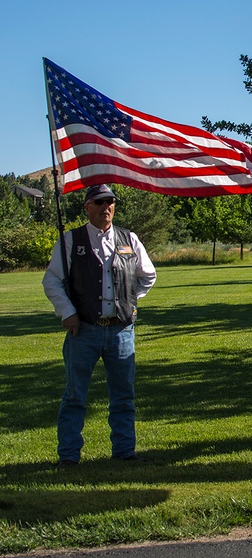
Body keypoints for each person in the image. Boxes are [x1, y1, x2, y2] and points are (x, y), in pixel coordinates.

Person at [42, 184, 157, 467]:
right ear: (87, 206)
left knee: (123, 396)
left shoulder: (128, 238)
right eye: (100, 202)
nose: (107, 207)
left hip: (121, 330)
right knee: (74, 396)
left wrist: (130, 300)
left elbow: (148, 276)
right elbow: (52, 281)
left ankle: (124, 451)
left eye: (111, 202)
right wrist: (67, 313)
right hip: (84, 330)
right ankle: (69, 455)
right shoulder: (70, 241)